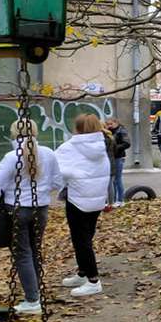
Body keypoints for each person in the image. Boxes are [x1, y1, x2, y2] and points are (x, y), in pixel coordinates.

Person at [0, 119, 64, 314]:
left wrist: (3, 194)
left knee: (22, 253)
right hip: (41, 208)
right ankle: (35, 291)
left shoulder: (12, 157)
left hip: (17, 209)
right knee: (34, 250)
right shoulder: (48, 153)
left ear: (14, 133)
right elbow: (58, 182)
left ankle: (32, 299)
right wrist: (42, 191)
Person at [55, 114, 111, 297]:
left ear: (77, 128)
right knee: (86, 237)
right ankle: (83, 273)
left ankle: (93, 280)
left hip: (77, 199)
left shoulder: (70, 147)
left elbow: (57, 169)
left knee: (81, 241)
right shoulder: (102, 145)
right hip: (96, 199)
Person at [105, 118, 130, 207]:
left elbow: (127, 143)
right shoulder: (111, 131)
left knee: (117, 179)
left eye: (111, 124)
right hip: (113, 157)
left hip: (118, 156)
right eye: (107, 124)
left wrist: (115, 148)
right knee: (113, 180)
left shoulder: (121, 131)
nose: (109, 126)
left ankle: (120, 200)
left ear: (116, 123)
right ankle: (114, 199)